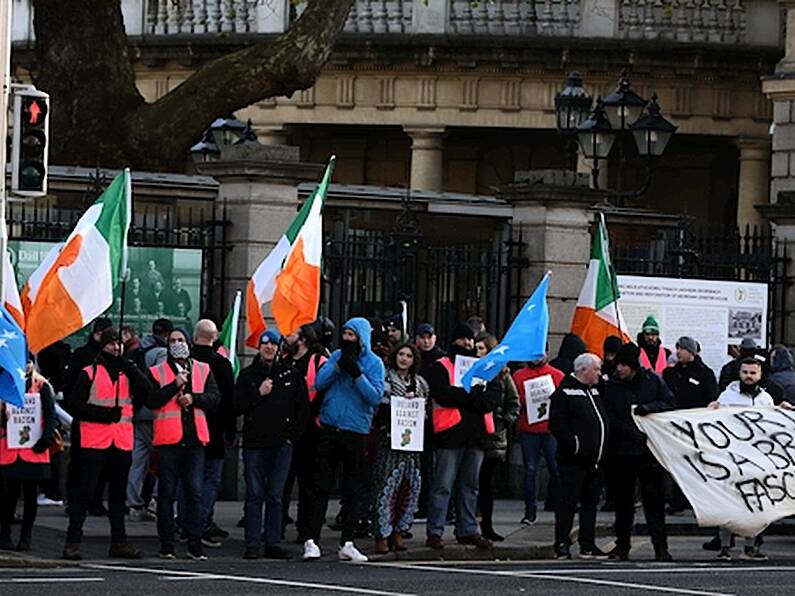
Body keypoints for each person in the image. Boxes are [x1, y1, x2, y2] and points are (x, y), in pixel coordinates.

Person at [63, 328, 152, 561]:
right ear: (102, 346)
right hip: (93, 440)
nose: (115, 347)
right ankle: (72, 542)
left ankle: (119, 542)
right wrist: (104, 414)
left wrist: (131, 368)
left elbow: (147, 390)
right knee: (85, 492)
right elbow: (75, 404)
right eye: (111, 343)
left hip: (120, 440)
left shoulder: (126, 372)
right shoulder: (89, 372)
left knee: (118, 495)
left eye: (118, 343)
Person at [303, 317, 385, 562]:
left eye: (352, 334)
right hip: (330, 428)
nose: (348, 339)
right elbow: (319, 382)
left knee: (353, 489)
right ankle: (311, 540)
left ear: (362, 337)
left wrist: (357, 374)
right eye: (345, 333)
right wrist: (339, 366)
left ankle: (347, 542)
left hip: (356, 431)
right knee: (321, 486)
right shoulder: (337, 356)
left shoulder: (374, 363)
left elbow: (374, 396)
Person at [424, 324, 501, 551]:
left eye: (470, 340)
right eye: (463, 340)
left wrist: (466, 396)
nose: (468, 344)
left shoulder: (483, 368)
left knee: (470, 486)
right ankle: (435, 530)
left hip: (476, 437)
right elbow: (443, 395)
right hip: (450, 435)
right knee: (443, 485)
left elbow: (490, 399)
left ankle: (467, 529)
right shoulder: (440, 367)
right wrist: (472, 394)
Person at [235, 329, 309, 560]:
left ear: (279, 348)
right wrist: (258, 393)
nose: (269, 348)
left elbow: (302, 409)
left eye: (273, 344)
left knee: (276, 495)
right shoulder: (248, 375)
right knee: (255, 494)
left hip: (281, 443)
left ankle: (273, 541)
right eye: (265, 343)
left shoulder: (291, 374)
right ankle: (252, 543)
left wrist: (291, 438)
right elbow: (237, 406)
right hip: (255, 443)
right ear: (259, 347)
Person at [146, 327, 220, 561]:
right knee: (167, 494)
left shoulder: (202, 369)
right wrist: (173, 386)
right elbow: (152, 400)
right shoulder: (157, 371)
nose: (178, 344)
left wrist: (194, 398)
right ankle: (166, 545)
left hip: (194, 440)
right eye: (173, 341)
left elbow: (214, 398)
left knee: (194, 494)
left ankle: (194, 544)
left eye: (181, 340)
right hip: (168, 441)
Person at [709, 358, 790, 561]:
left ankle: (751, 546)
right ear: (740, 373)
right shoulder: (727, 396)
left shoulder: (766, 399)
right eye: (745, 372)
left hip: (757, 460)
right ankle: (725, 547)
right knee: (729, 503)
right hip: (732, 459)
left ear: (760, 375)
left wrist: (782, 412)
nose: (748, 376)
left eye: (753, 373)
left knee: (756, 504)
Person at [604, 342, 675, 562]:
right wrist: (630, 433)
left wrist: (649, 408)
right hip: (623, 452)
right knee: (623, 505)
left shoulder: (652, 381)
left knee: (654, 504)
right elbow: (610, 417)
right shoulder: (613, 386)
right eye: (618, 365)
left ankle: (660, 547)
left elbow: (669, 403)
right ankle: (622, 545)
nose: (619, 369)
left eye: (623, 365)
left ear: (633, 365)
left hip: (649, 453)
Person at [549, 353, 609, 560]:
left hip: (595, 460)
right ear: (583, 370)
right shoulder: (565, 392)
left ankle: (587, 543)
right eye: (597, 369)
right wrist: (575, 445)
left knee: (590, 503)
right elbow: (557, 424)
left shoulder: (594, 391)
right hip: (573, 460)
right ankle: (562, 543)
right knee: (568, 504)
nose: (600, 374)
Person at [372, 343, 428, 554]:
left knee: (409, 488)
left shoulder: (420, 383)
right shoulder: (386, 378)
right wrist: (398, 404)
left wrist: (415, 405)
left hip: (412, 444)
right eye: (401, 354)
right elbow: (379, 407)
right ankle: (382, 534)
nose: (404, 359)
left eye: (409, 356)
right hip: (389, 440)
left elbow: (425, 413)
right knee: (386, 487)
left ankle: (399, 531)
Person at [0, 365, 56, 551]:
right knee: (9, 495)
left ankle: (26, 537)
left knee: (30, 495)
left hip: (34, 449)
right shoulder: (4, 383)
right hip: (9, 449)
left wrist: (46, 438)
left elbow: (50, 415)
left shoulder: (41, 385)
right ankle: (5, 534)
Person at [191, 319, 236, 548]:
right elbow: (229, 401)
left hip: (187, 430)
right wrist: (231, 431)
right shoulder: (222, 364)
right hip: (215, 430)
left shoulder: (186, 361)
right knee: (210, 479)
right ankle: (200, 525)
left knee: (189, 480)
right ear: (215, 337)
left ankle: (188, 522)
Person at [281, 323, 327, 543]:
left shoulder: (318, 362)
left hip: (310, 430)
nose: (286, 337)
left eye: (291, 334)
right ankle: (276, 527)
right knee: (281, 482)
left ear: (303, 339)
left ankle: (305, 531)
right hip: (285, 429)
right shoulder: (284, 361)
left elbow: (323, 393)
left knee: (308, 483)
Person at [661, 336, 717, 515]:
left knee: (696, 466)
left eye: (682, 349)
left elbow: (712, 398)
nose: (678, 352)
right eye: (677, 348)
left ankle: (696, 501)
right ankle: (677, 501)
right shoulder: (671, 373)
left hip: (696, 428)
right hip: (674, 426)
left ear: (691, 352)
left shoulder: (704, 373)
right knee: (677, 465)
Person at [126, 318, 173, 522]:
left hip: (136, 411)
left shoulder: (137, 351)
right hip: (154, 412)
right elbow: (163, 383)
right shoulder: (160, 353)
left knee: (138, 459)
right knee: (159, 460)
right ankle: (153, 500)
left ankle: (133, 502)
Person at [474, 334, 519, 541]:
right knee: (471, 483)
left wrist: (504, 421)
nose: (478, 352)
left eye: (482, 348)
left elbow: (514, 403)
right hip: (474, 434)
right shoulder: (473, 372)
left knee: (486, 484)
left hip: (493, 436)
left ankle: (487, 526)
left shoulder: (503, 376)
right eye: (476, 348)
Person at [512, 354, 564, 525]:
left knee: (556, 469)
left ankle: (560, 508)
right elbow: (514, 401)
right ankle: (530, 512)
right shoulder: (519, 376)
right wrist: (526, 399)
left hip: (550, 431)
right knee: (530, 470)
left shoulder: (557, 375)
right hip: (529, 430)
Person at [414, 322, 446, 520]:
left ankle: (429, 504)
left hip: (436, 417)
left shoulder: (440, 359)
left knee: (432, 465)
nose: (426, 341)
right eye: (422, 337)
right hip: (416, 418)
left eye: (429, 337)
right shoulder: (414, 357)